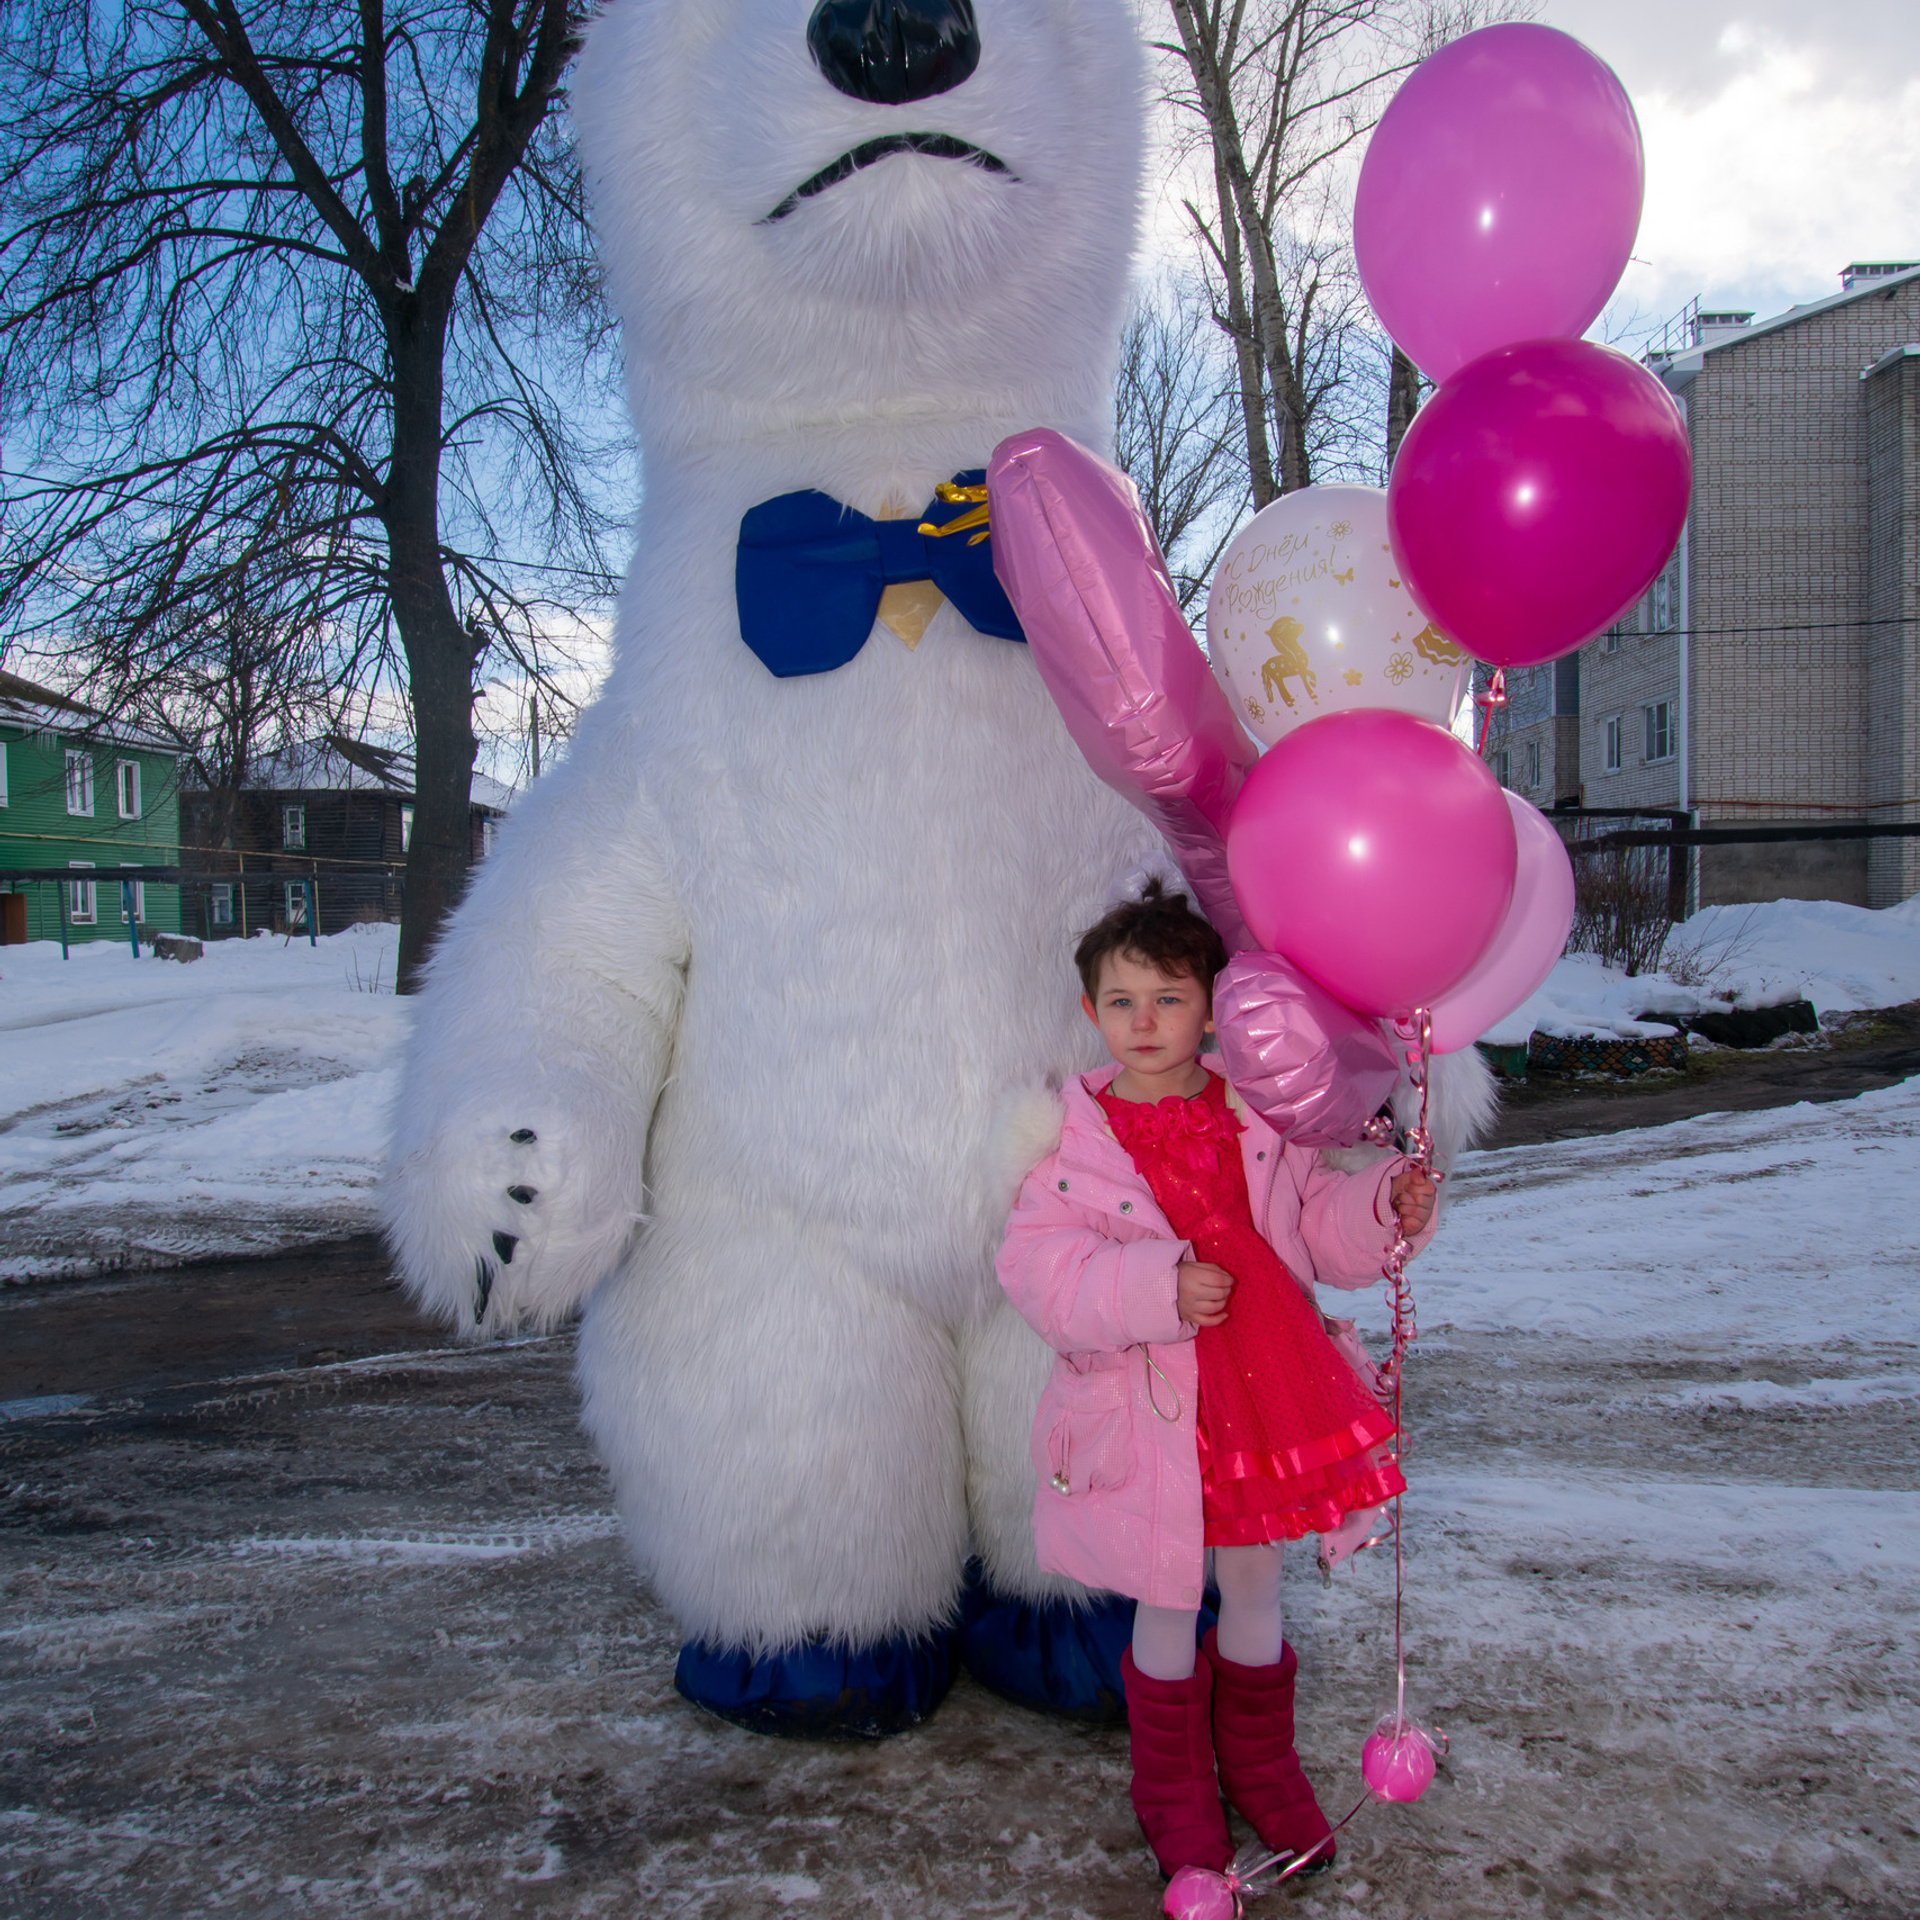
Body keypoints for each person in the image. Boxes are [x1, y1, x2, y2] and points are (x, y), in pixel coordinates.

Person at [996, 881, 1437, 1879]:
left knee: (1252, 1578)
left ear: (1209, 1008)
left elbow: (1314, 1225)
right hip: (1151, 1399)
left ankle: (1262, 1767)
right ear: (1090, 1010)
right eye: (1122, 1001)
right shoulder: (1071, 1140)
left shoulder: (1258, 1113)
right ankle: (1174, 1788)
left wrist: (1383, 1204)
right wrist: (1155, 1286)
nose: (1145, 1022)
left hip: (1264, 1381)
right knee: (1166, 1590)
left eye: (1169, 998)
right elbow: (1039, 1271)